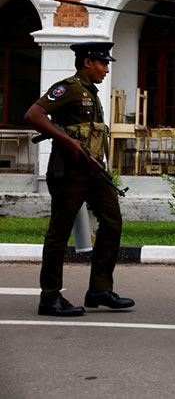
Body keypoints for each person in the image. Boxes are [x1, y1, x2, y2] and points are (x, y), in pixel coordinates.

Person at [24, 41, 135, 317]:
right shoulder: (69, 89)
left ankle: (99, 289)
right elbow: (34, 115)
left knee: (112, 223)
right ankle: (49, 297)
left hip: (94, 171)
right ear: (87, 62)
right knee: (59, 233)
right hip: (69, 173)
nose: (106, 69)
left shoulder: (91, 92)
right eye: (102, 63)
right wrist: (67, 141)